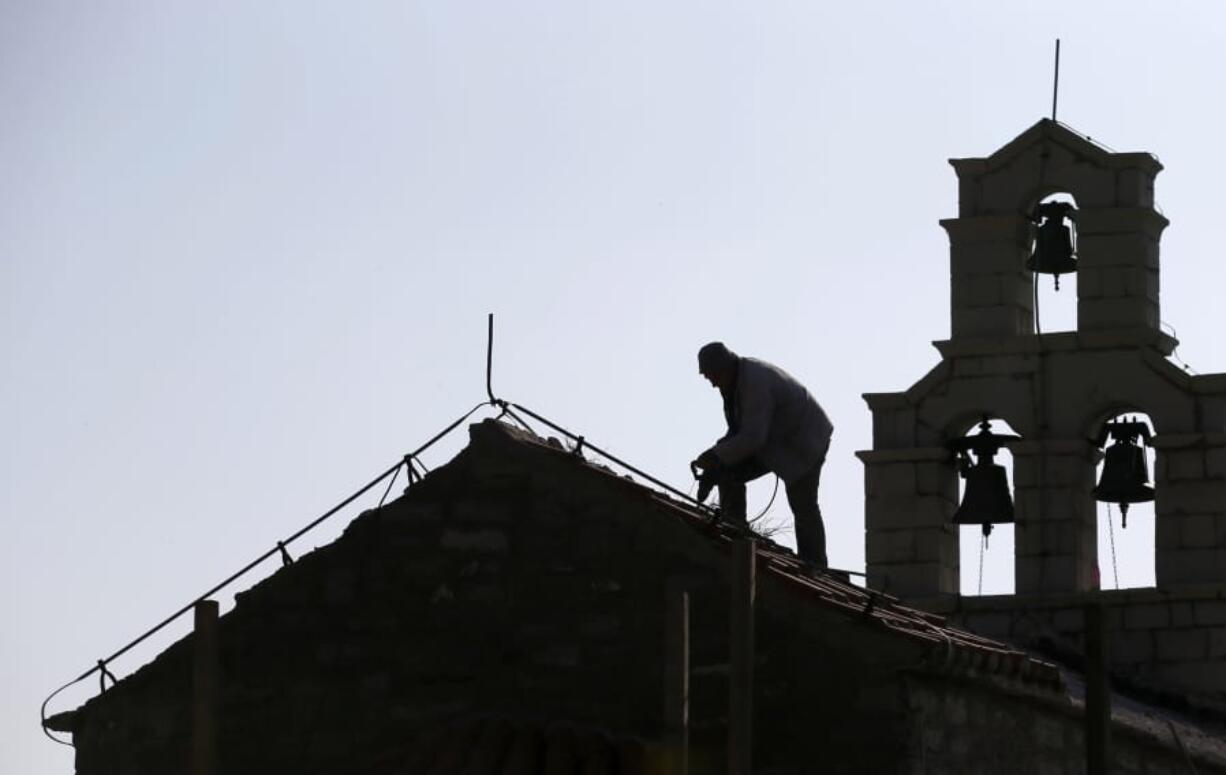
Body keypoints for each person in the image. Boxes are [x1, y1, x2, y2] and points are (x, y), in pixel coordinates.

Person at [692, 342, 833, 568]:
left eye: (712, 376)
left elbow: (753, 437)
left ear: (724, 368)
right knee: (728, 472)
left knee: (803, 504)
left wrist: (716, 456)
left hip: (805, 439)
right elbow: (739, 432)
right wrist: (715, 464)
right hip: (774, 441)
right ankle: (734, 529)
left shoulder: (754, 382)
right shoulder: (733, 384)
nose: (712, 383)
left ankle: (815, 565)